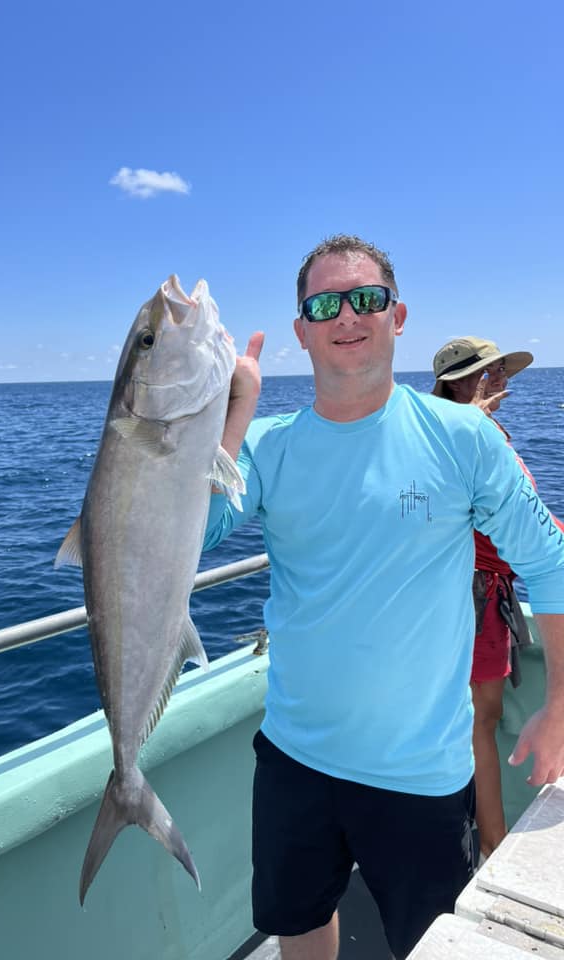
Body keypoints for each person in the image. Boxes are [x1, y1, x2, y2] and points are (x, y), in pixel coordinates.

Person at [203, 235, 564, 960]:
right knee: (299, 920)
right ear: (301, 330)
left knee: (430, 942)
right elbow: (188, 538)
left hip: (420, 772)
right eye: (325, 303)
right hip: (292, 756)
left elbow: (549, 563)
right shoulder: (265, 449)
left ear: (397, 316)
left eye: (366, 298)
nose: (348, 315)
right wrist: (231, 419)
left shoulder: (463, 437)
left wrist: (561, 704)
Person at [432, 337, 534, 863]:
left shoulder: (477, 433)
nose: (497, 381)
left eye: (498, 373)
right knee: (479, 723)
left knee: (478, 720)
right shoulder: (454, 437)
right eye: (486, 373)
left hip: (481, 594)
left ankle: (481, 837)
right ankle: (490, 843)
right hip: (471, 595)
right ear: (457, 383)